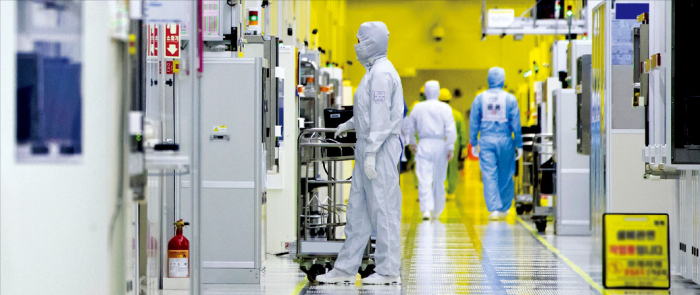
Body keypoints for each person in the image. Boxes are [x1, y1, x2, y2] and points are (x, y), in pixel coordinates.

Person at [316, 21, 404, 285]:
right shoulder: (372, 72)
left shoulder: (382, 74)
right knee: (358, 211)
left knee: (384, 210)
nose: (356, 44)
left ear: (371, 41)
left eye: (359, 39)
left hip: (380, 150)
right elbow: (368, 113)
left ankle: (389, 271)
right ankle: (345, 268)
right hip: (368, 146)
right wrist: (349, 124)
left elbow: (381, 118)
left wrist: (371, 153)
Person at [469, 67, 523, 221]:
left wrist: (473, 142)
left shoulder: (479, 99)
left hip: (486, 140)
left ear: (489, 79)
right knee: (506, 173)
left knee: (489, 175)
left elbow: (474, 122)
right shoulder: (510, 99)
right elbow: (516, 123)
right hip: (505, 140)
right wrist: (519, 144)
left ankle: (494, 208)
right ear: (503, 79)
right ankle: (504, 207)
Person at [404, 80, 457, 221]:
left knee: (424, 178)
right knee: (439, 179)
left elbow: (410, 127)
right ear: (439, 92)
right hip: (440, 144)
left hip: (424, 143)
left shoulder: (418, 107)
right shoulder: (445, 108)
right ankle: (437, 211)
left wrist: (413, 142)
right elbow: (451, 129)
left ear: (425, 92)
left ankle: (426, 209)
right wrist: (450, 146)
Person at [438, 88, 468, 197]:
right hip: (453, 145)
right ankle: (450, 191)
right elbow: (462, 131)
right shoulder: (457, 114)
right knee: (452, 168)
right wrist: (464, 146)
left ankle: (443, 188)